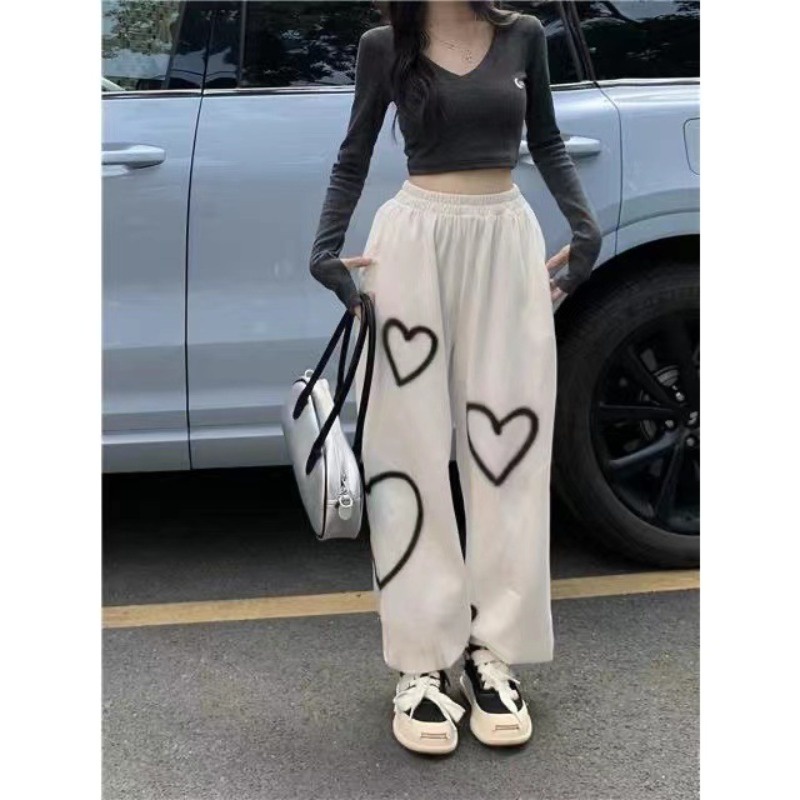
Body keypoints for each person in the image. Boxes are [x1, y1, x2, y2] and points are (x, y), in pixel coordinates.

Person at [308, 0, 601, 755]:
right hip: (412, 246)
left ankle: (492, 653)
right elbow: (352, 153)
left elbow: (546, 140)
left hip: (506, 245)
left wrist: (586, 228)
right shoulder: (386, 45)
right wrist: (325, 250)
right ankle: (421, 661)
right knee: (405, 454)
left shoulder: (522, 35)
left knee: (511, 451)